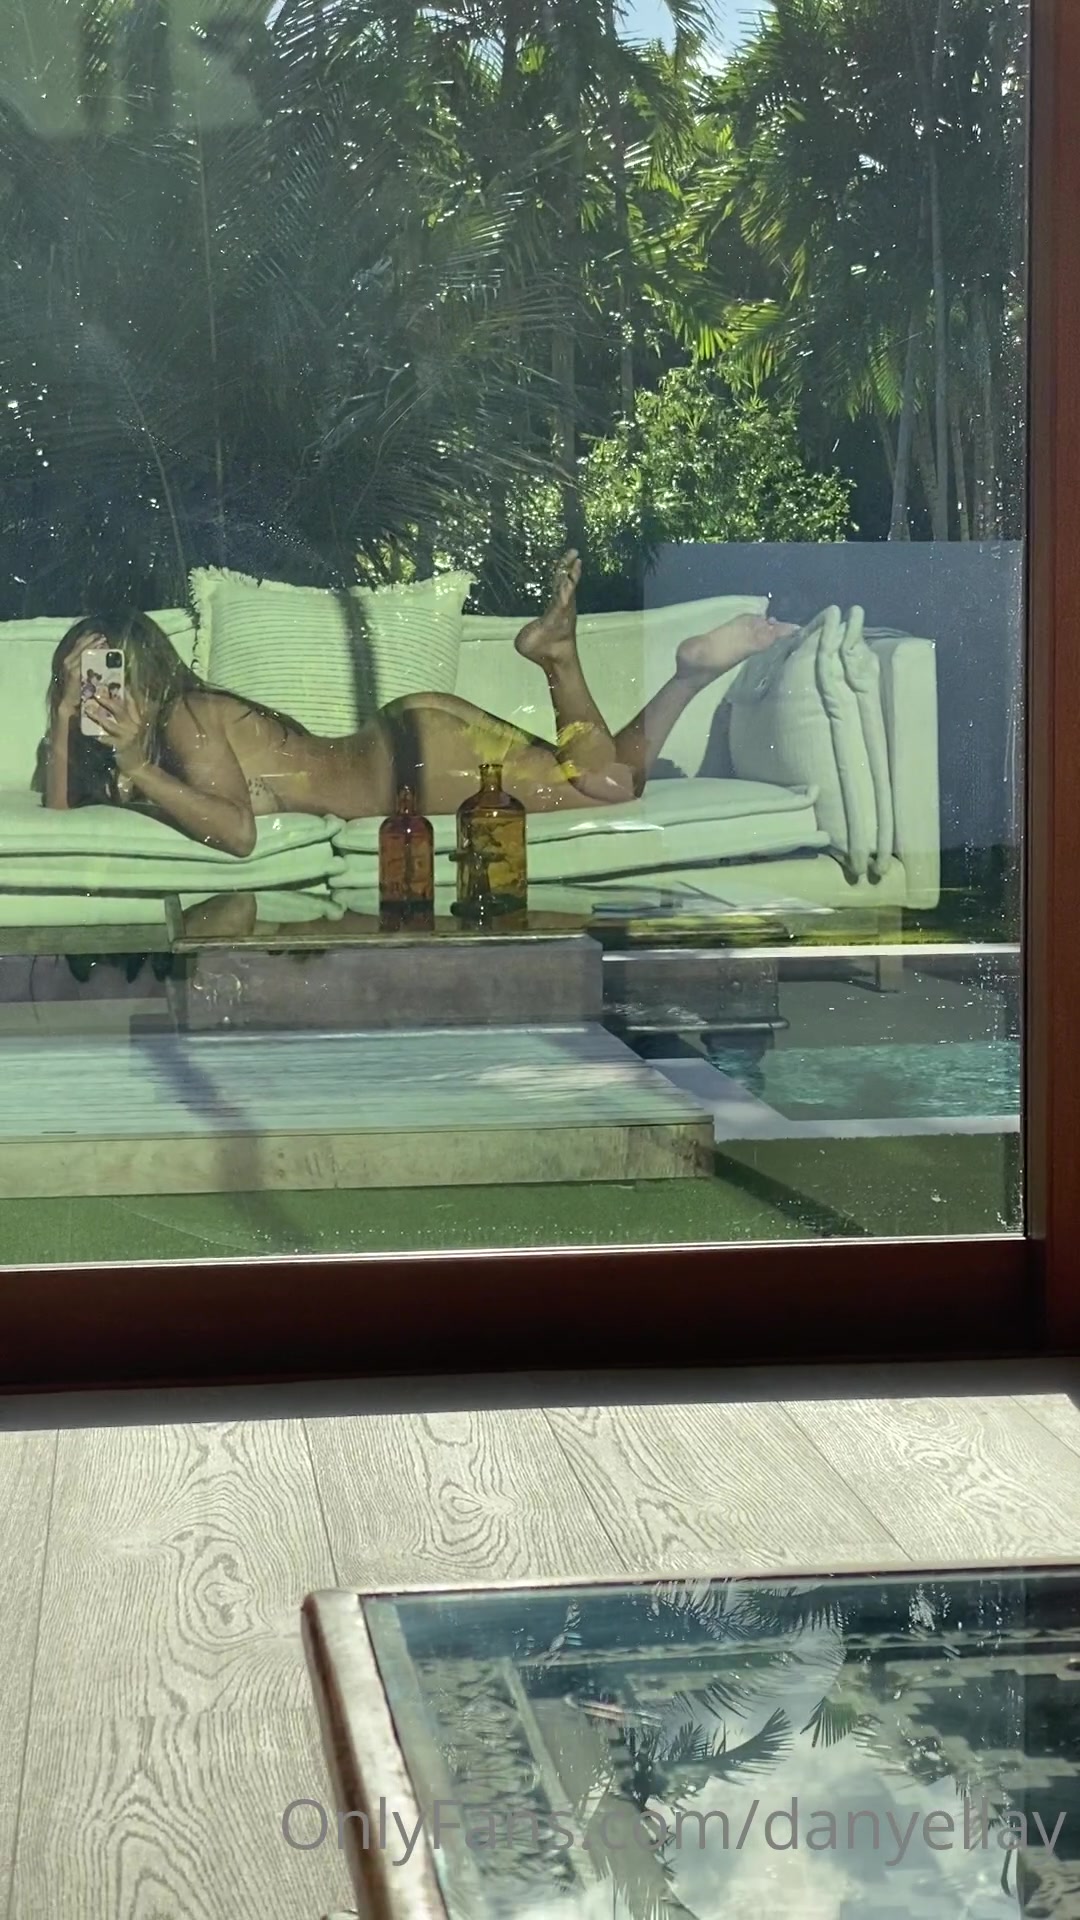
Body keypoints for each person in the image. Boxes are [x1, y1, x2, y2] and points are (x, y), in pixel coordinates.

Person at [41, 554, 796, 857]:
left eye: (107, 671)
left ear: (146, 669)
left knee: (604, 785)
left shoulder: (184, 717)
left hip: (419, 764)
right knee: (608, 779)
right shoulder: (141, 748)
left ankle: (561, 657)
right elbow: (60, 818)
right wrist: (65, 721)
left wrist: (140, 764)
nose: (98, 690)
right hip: (413, 742)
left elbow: (237, 833)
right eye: (80, 679)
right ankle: (682, 674)